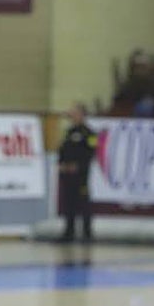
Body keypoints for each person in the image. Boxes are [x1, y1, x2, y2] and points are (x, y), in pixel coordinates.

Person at [58, 103, 96, 243]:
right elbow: (63, 149)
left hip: (81, 175)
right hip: (67, 174)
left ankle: (87, 233)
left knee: (83, 203)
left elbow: (91, 152)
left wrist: (79, 166)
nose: (72, 116)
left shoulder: (89, 133)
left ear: (82, 115)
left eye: (75, 113)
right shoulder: (68, 132)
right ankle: (68, 232)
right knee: (68, 203)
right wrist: (61, 163)